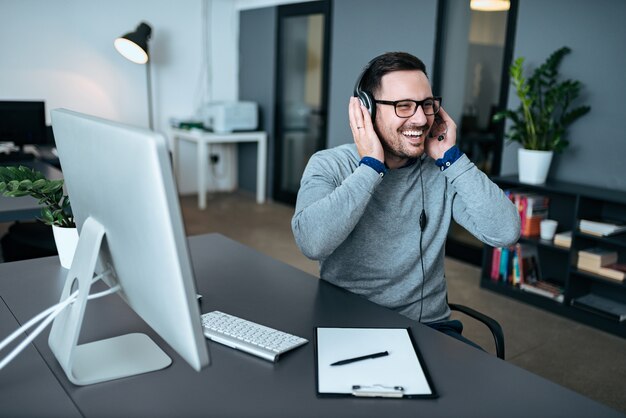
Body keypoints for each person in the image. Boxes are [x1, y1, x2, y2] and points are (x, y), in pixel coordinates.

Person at [291, 51, 520, 348]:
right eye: (403, 106)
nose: (421, 118)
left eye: (427, 105)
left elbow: (505, 232)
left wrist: (452, 159)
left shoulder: (442, 170)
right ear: (368, 109)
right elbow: (311, 242)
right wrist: (371, 167)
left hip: (431, 328)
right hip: (349, 326)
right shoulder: (330, 164)